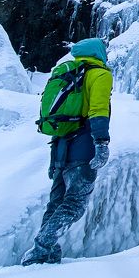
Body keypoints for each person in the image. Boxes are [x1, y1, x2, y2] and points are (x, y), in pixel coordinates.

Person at [22, 38, 112, 266]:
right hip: (82, 148)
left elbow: (61, 121)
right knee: (75, 204)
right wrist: (101, 142)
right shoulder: (98, 74)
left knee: (56, 203)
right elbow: (98, 110)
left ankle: (47, 254)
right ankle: (42, 247)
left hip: (61, 148)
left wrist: (55, 161)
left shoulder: (71, 73)